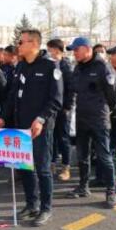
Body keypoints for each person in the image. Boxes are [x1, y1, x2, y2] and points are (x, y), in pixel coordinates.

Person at [0, 30, 63, 226]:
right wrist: (2, 118)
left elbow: (56, 99)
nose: (18, 45)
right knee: (25, 168)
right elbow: (12, 96)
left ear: (34, 44)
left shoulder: (51, 66)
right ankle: (31, 204)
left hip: (40, 127)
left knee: (42, 168)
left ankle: (45, 208)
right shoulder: (21, 66)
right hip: (20, 125)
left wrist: (41, 119)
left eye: (21, 42)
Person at [67, 37, 116, 209]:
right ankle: (83, 187)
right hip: (82, 118)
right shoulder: (78, 68)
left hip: (99, 119)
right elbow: (74, 89)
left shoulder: (103, 67)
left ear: (87, 49)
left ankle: (110, 191)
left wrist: (104, 110)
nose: (74, 53)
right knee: (83, 156)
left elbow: (113, 96)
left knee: (104, 157)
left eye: (76, 50)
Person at [47, 39, 74, 181]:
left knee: (63, 138)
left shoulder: (66, 66)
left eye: (49, 50)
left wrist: (68, 107)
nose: (48, 53)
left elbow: (71, 89)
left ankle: (66, 167)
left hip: (63, 109)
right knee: (51, 136)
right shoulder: (50, 65)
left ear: (56, 50)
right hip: (52, 108)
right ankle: (52, 164)